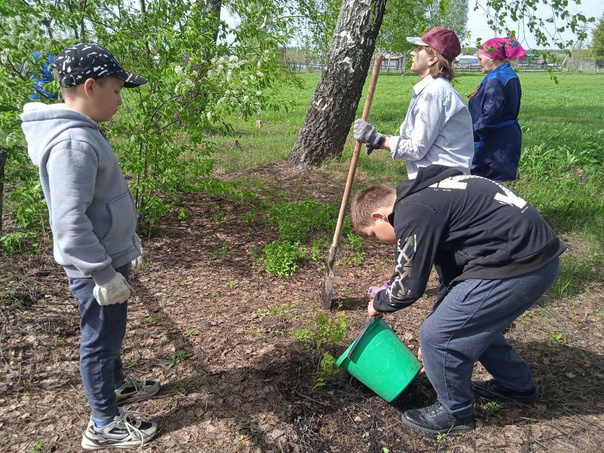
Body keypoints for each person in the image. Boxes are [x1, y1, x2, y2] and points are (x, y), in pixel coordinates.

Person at [350, 165, 566, 434]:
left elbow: (406, 288)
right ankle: (516, 385)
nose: (380, 242)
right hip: (535, 258)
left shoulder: (412, 212)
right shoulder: (433, 195)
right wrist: (441, 316)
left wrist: (378, 303)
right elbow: (450, 277)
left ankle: (455, 413)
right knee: (467, 324)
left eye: (373, 235)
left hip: (519, 265)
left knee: (436, 335)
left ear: (379, 216)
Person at [20, 43, 160, 450]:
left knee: (111, 336)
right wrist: (102, 273)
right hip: (95, 270)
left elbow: (98, 205)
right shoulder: (72, 144)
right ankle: (103, 423)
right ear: (89, 86)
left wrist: (124, 244)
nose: (119, 100)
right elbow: (68, 223)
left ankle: (115, 385)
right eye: (116, 90)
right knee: (99, 341)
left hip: (108, 260)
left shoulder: (83, 134)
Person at [353, 27, 474, 179]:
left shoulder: (434, 93)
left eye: (418, 49)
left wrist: (378, 139)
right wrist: (383, 139)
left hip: (443, 183)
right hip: (435, 178)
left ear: (433, 58)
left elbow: (416, 149)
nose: (412, 53)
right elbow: (416, 140)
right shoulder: (431, 89)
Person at [469, 37, 527, 181]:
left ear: (492, 58)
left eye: (480, 59)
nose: (478, 64)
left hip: (494, 145)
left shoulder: (495, 79)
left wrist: (471, 134)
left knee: (485, 188)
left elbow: (490, 114)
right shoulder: (508, 74)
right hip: (505, 138)